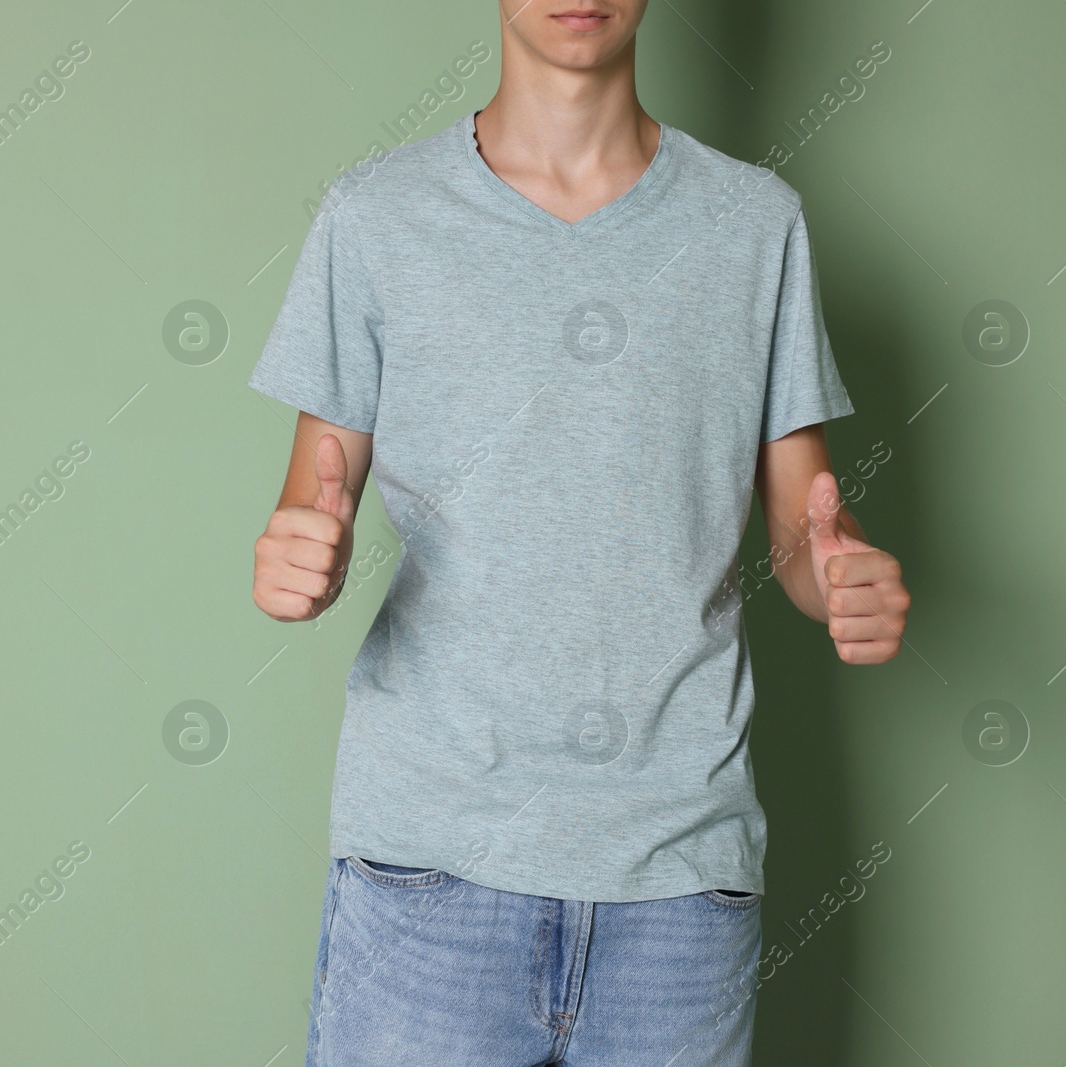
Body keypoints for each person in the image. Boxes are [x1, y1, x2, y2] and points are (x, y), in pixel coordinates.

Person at [247, 2, 911, 1063]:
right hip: (429, 871)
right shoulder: (376, 215)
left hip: (677, 885)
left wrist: (840, 576)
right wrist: (291, 560)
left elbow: (803, 519)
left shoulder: (754, 224)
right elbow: (308, 500)